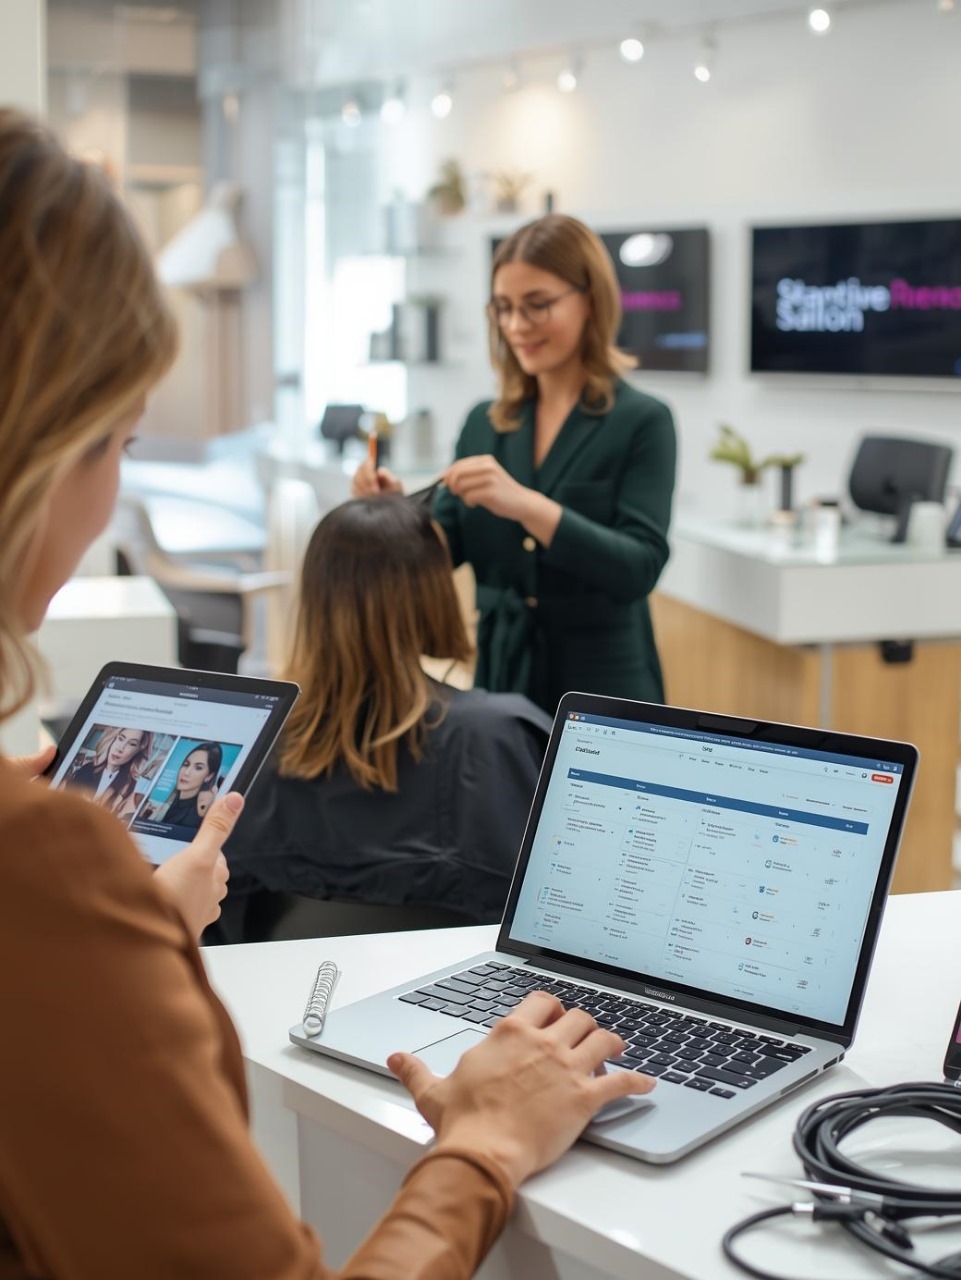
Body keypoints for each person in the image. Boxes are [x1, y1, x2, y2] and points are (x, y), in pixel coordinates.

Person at [0, 109, 654, 1279]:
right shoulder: (41, 864)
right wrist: (485, 1144)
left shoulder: (635, 424)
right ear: (42, 454)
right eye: (122, 444)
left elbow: (631, 558)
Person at [353, 213, 678, 716]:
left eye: (537, 305)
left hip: (604, 689)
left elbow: (638, 568)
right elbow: (440, 550)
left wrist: (528, 506)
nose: (516, 326)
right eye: (503, 308)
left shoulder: (641, 420)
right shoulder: (485, 423)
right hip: (502, 684)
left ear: (591, 300)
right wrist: (394, 514)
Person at [223, 496, 551, 931]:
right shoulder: (498, 737)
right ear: (433, 596)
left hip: (289, 974)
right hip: (460, 977)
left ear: (315, 600)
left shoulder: (251, 744)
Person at [65, 723, 154, 816]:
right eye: (120, 739)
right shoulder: (87, 769)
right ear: (114, 739)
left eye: (132, 744)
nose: (120, 748)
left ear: (138, 750)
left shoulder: (131, 786)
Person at [143, 741, 223, 829]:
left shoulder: (195, 816)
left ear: (209, 776)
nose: (186, 772)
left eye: (198, 768)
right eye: (186, 764)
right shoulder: (168, 804)